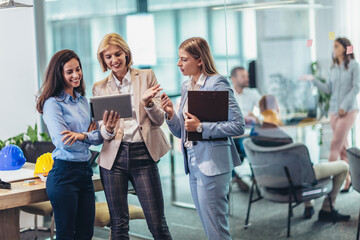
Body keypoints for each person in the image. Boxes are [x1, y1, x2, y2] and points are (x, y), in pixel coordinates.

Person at [161, 37, 245, 240]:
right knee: (209, 226)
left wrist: (201, 127)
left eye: (184, 59)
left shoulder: (217, 83)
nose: (178, 64)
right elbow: (183, 131)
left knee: (217, 228)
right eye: (178, 59)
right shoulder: (186, 86)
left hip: (213, 164)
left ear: (199, 60)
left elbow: (238, 125)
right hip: (192, 163)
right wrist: (171, 114)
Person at [93, 33, 172, 240]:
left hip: (143, 154)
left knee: (157, 223)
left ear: (126, 53)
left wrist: (148, 103)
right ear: (103, 60)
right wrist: (108, 128)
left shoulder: (146, 77)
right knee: (118, 225)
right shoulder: (99, 87)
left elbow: (159, 120)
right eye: (108, 57)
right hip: (114, 159)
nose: (114, 60)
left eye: (117, 54)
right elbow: (103, 133)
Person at [36, 49, 107, 239]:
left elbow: (99, 137)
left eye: (78, 69)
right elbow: (63, 141)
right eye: (69, 72)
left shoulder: (84, 101)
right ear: (59, 74)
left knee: (85, 234)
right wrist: (87, 135)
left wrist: (80, 136)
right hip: (64, 174)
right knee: (67, 235)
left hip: (85, 173)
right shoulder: (53, 103)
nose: (76, 75)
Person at [250, 95, 350, 222]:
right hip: (290, 181)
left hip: (267, 179)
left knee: (300, 168)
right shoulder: (284, 139)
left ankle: (309, 205)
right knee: (343, 166)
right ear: (278, 109)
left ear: (260, 109)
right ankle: (327, 209)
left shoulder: (254, 134)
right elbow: (301, 169)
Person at [301, 37, 360, 192]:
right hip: (334, 112)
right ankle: (347, 180)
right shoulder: (333, 68)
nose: (333, 49)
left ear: (345, 48)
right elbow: (328, 89)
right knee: (342, 147)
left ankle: (326, 183)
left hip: (348, 111)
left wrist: (344, 106)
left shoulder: (354, 66)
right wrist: (313, 79)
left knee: (334, 145)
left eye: (336, 46)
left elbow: (356, 88)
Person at [230, 66, 262, 192]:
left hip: (249, 132)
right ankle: (236, 177)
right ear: (233, 79)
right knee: (226, 150)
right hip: (234, 133)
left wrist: (256, 117)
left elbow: (266, 110)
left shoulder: (252, 93)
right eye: (243, 76)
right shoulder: (227, 94)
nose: (247, 79)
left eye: (247, 76)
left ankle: (257, 176)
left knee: (252, 145)